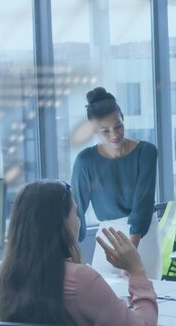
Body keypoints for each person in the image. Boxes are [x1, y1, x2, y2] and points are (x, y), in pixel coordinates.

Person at [0, 180, 159, 326]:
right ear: (61, 223)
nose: (78, 220)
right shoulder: (81, 279)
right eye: (75, 212)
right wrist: (137, 271)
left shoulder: (1, 276)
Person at [71, 87, 159, 277]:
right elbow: (75, 210)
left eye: (118, 126)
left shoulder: (146, 152)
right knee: (102, 300)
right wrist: (71, 257)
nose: (114, 135)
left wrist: (129, 258)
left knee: (144, 298)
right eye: (105, 131)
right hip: (107, 238)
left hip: (141, 237)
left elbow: (142, 207)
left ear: (123, 117)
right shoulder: (85, 161)